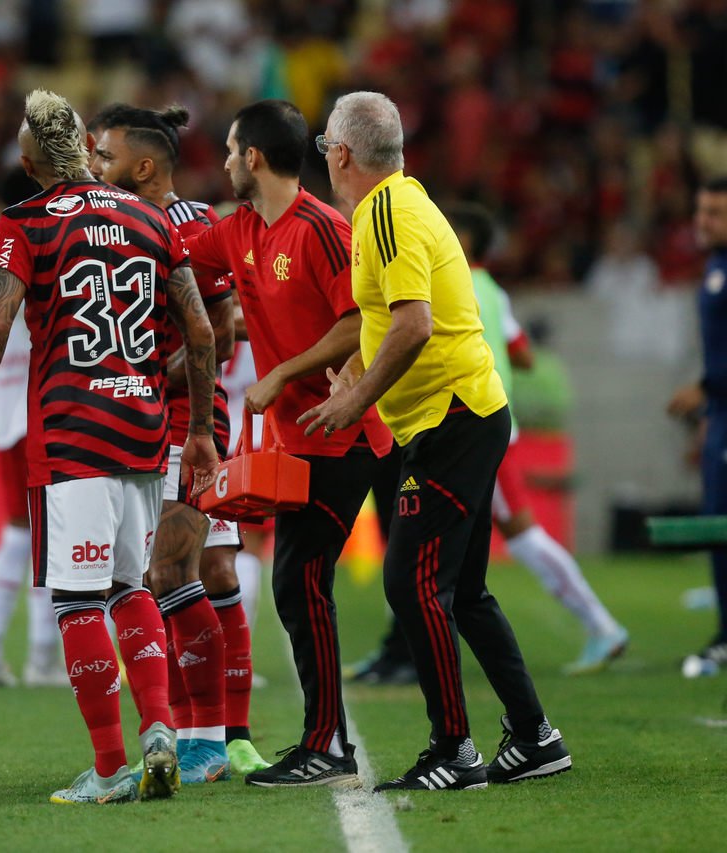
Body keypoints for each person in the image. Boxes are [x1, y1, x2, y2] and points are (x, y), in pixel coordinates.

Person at [0, 88, 220, 804]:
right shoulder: (148, 217)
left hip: (74, 429)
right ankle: (160, 729)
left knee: (77, 600)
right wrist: (197, 429)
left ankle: (107, 768)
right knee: (133, 588)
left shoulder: (23, 222)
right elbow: (201, 330)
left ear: (30, 157)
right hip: (144, 426)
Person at [304, 91, 571, 790]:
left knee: (411, 578)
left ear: (340, 153)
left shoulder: (385, 212)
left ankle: (454, 749)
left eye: (324, 144)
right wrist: (356, 372)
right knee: (466, 589)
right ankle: (535, 735)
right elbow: (387, 320)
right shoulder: (395, 203)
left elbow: (415, 323)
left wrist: (357, 398)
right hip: (461, 412)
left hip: (451, 416)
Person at [183, 99, 392, 789]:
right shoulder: (238, 228)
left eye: (228, 151)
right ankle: (327, 739)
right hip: (296, 440)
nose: (220, 164)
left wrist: (281, 371)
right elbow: (172, 250)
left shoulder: (323, 229)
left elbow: (358, 323)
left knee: (299, 582)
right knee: (299, 584)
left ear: (253, 158)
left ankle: (327, 744)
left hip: (346, 431)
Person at [349, 205, 629, 681]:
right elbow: (521, 354)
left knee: (512, 538)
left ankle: (601, 626)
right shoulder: (495, 293)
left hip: (466, 423)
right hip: (493, 420)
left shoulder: (451, 284)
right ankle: (412, 648)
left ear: (465, 241)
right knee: (455, 549)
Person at [89, 102, 269, 782]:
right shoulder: (108, 225)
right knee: (157, 576)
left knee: (187, 573)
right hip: (130, 424)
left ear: (142, 164)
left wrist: (141, 376)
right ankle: (205, 734)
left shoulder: (193, 224)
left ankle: (213, 736)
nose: (94, 167)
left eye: (104, 157)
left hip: (189, 424)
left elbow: (219, 334)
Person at [0, 167, 67, 690]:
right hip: (38, 410)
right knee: (35, 537)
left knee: (22, 533)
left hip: (6, 411)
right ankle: (39, 659)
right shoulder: (38, 241)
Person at [668, 176, 727, 676]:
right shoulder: (715, 266)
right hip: (721, 416)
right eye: (701, 211)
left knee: (721, 523)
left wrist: (708, 390)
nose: (702, 223)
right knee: (717, 524)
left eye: (715, 214)